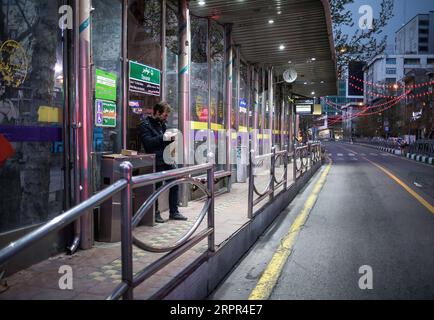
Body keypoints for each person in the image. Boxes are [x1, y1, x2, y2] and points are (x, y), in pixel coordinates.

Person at [139, 102, 188, 224]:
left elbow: (165, 141)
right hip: (155, 160)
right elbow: (148, 144)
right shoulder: (145, 125)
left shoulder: (162, 124)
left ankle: (174, 211)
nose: (166, 118)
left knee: (174, 184)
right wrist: (164, 138)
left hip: (167, 159)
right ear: (156, 112)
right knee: (155, 188)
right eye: (165, 115)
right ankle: (155, 213)